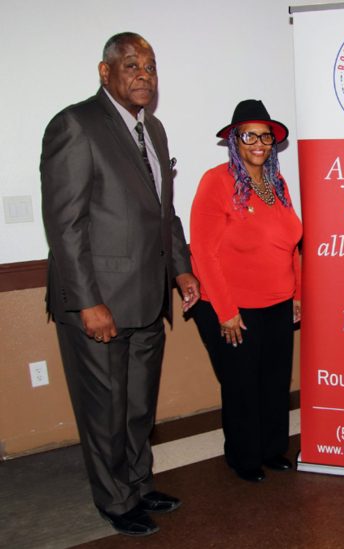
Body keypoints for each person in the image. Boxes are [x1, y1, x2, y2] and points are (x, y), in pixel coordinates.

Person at [40, 32, 200, 537]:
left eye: (150, 66)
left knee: (136, 406)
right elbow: (65, 225)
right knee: (104, 410)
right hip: (100, 302)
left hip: (148, 297)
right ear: (104, 72)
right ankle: (114, 500)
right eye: (131, 64)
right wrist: (88, 302)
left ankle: (137, 481)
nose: (143, 74)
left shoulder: (153, 131)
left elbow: (162, 212)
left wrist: (181, 267)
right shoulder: (75, 124)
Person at [190, 100, 302, 484]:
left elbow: (291, 244)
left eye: (265, 135)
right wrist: (225, 310)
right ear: (233, 140)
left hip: (277, 303)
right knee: (241, 386)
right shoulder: (215, 181)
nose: (258, 143)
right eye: (248, 135)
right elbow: (202, 252)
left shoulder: (278, 184)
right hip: (233, 307)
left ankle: (272, 449)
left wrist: (297, 294)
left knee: (274, 381)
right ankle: (243, 456)